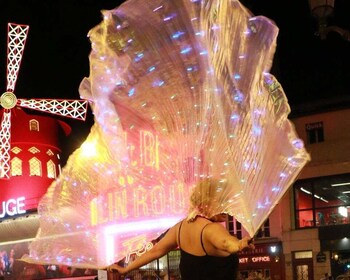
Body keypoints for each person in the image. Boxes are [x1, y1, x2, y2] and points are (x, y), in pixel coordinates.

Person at [106, 179, 255, 279]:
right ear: (208, 202)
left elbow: (155, 251)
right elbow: (225, 242)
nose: (228, 208)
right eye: (223, 202)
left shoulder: (180, 227)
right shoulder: (211, 229)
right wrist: (239, 244)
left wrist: (126, 269)